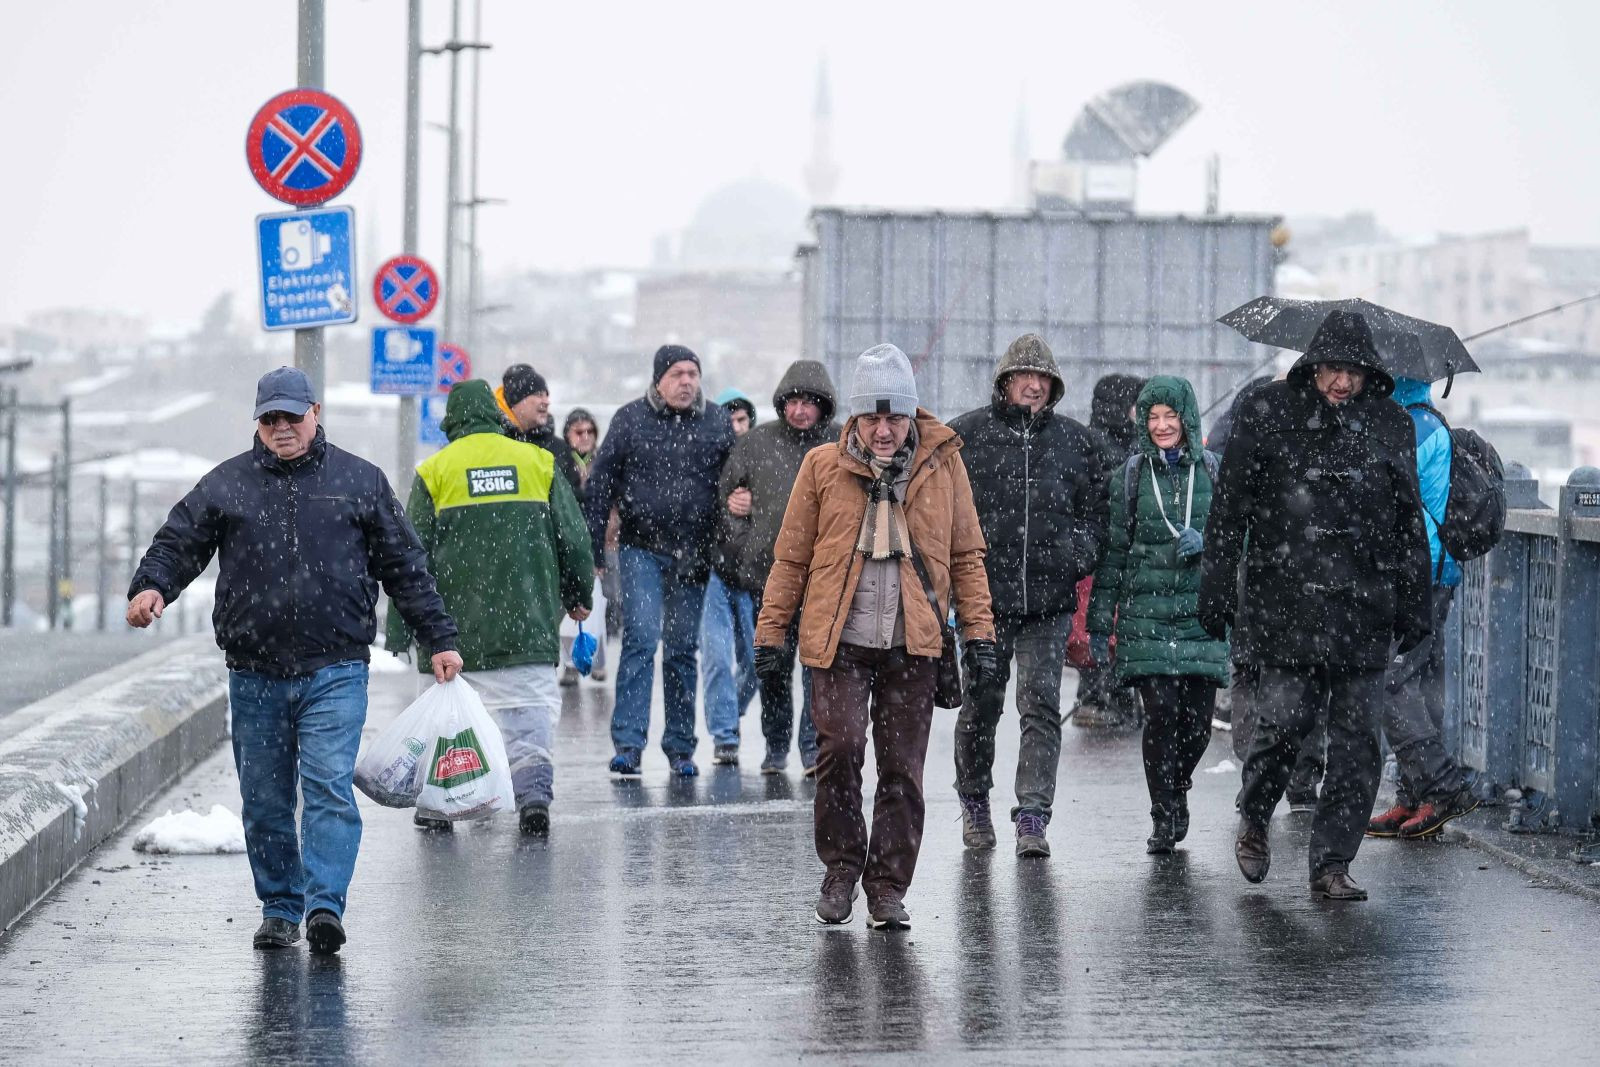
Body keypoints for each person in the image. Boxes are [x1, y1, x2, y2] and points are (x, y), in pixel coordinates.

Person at [127, 367, 461, 956]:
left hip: (335, 668)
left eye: (291, 416)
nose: (281, 428)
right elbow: (180, 541)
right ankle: (280, 908)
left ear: (316, 412)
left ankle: (325, 905)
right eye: (269, 419)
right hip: (254, 673)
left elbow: (405, 566)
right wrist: (152, 586)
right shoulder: (227, 484)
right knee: (265, 799)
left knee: (328, 786)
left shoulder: (359, 481)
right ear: (258, 423)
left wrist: (439, 638)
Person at [755, 343, 996, 930]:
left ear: (911, 415)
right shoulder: (822, 467)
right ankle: (840, 870)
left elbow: (966, 556)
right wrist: (771, 634)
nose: (884, 431)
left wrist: (980, 636)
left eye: (894, 418)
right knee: (839, 751)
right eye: (872, 419)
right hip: (838, 640)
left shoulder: (944, 466)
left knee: (902, 769)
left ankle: (887, 887)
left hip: (913, 641)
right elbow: (791, 559)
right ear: (855, 420)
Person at [1199, 311, 1431, 901]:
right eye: (1331, 369)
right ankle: (1255, 813)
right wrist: (1218, 584)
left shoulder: (1390, 424)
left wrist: (1413, 602)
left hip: (1364, 605)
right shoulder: (1266, 412)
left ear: (1368, 373)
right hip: (1286, 602)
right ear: (1313, 365)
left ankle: (1331, 864)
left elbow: (1409, 523)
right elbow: (1230, 508)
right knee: (1282, 728)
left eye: (1352, 372)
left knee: (1357, 746)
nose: (1340, 383)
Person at [386, 380, 594, 836]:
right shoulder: (538, 463)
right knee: (529, 720)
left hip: (451, 637)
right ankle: (533, 796)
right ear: (497, 417)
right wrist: (579, 595)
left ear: (452, 423)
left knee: (448, 723)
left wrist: (401, 631)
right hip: (528, 628)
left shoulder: (435, 471)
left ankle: (440, 804)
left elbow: (407, 557)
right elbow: (574, 539)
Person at [947, 333, 1107, 858]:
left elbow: (1097, 513)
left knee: (1039, 705)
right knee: (982, 703)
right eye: (1024, 376)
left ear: (1054, 385)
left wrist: (1077, 553)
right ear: (1005, 381)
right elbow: (939, 510)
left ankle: (1033, 815)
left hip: (1049, 600)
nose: (1033, 385)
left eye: (1042, 378)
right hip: (982, 601)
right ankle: (974, 802)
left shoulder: (1076, 443)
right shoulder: (965, 437)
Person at [1087, 376, 1229, 854]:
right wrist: (1099, 623)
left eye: (1171, 416)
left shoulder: (1213, 472)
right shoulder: (1129, 478)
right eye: (1153, 417)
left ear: (1186, 419)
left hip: (1201, 616)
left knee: (1199, 724)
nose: (1163, 426)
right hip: (1145, 617)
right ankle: (1163, 810)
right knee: (1162, 714)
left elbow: (1240, 542)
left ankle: (1177, 784)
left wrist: (1209, 545)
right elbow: (1113, 555)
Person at [584, 345, 735, 777]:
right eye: (677, 374)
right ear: (658, 381)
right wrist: (595, 549)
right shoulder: (631, 420)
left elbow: (738, 482)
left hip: (694, 554)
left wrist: (733, 534)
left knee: (683, 651)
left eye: (693, 373)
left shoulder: (717, 423)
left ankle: (681, 748)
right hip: (641, 549)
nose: (687, 381)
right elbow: (599, 488)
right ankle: (629, 744)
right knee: (641, 641)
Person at [1366, 376, 1480, 839]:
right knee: (1423, 680)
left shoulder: (1410, 428)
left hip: (1418, 573)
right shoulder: (1425, 421)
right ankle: (1416, 795)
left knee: (1390, 681)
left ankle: (1441, 785)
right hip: (1433, 572)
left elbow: (1390, 501)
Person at [718, 360, 842, 775]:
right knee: (772, 666)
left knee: (816, 669)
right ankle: (775, 747)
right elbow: (729, 501)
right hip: (767, 577)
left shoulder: (841, 445)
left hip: (824, 578)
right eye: (793, 401)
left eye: (810, 402)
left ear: (824, 406)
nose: (801, 410)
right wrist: (745, 546)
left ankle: (812, 748)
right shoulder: (755, 444)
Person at [1072, 372, 1148, 728]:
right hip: (1106, 552)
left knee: (1110, 627)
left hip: (1116, 551)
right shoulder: (1100, 443)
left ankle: (1110, 699)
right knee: (1104, 627)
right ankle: (1098, 699)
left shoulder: (1118, 440)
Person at [701, 387, 761, 764]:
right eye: (729, 419)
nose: (736, 427)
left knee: (757, 660)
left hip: (753, 572)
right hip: (716, 570)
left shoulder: (764, 458)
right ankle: (725, 734)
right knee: (717, 657)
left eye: (741, 419)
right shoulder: (707, 459)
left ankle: (730, 713)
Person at [558, 406, 608, 682]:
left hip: (603, 540)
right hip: (573, 539)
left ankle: (597, 660)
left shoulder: (601, 460)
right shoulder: (562, 460)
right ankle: (571, 664)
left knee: (600, 605)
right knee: (575, 603)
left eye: (590, 431)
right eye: (579, 431)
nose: (585, 437)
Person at [495, 363, 582, 497]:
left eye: (546, 395)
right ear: (517, 401)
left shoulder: (559, 449)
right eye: (538, 394)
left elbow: (574, 502)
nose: (546, 401)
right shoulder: (495, 442)